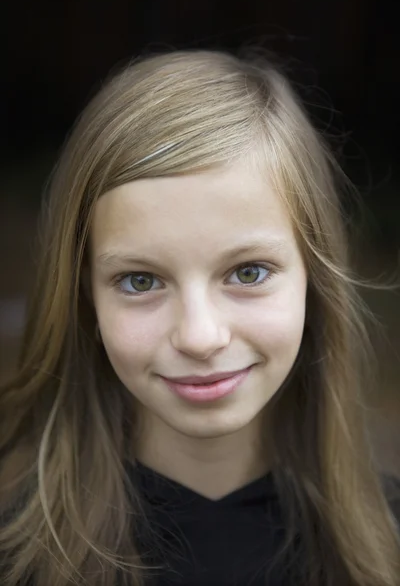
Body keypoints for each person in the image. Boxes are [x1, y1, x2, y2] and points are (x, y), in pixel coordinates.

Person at [0, 49, 399, 586]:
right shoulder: (18, 563)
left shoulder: (388, 551)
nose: (200, 336)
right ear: (85, 297)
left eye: (248, 272)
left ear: (314, 277)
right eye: (141, 281)